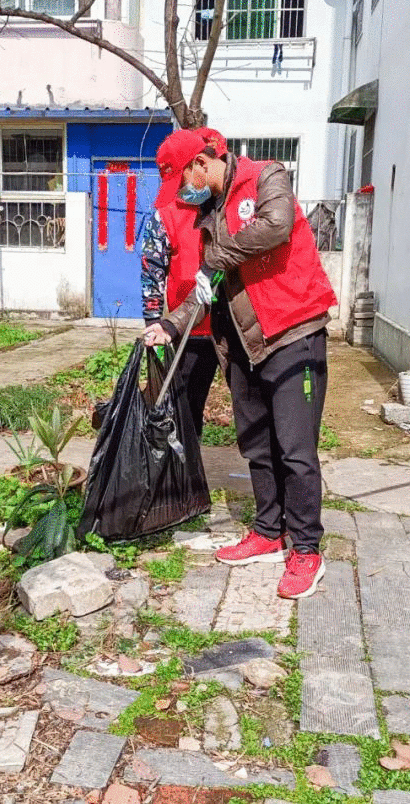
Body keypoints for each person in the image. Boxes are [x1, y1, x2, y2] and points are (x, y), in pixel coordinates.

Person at [142, 129, 337, 600]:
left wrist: (214, 260)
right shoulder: (209, 213)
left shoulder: (266, 176)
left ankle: (306, 549)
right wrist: (170, 324)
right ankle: (269, 531)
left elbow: (276, 226)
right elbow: (207, 288)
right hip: (244, 344)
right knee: (257, 445)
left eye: (181, 182)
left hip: (292, 335)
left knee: (295, 450)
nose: (182, 194)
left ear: (200, 163)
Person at [140, 127, 227, 437]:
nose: (183, 188)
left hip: (230, 327)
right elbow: (152, 271)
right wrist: (154, 322)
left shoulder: (225, 206)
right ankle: (185, 460)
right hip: (187, 330)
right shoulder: (165, 216)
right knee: (185, 407)